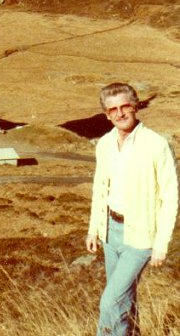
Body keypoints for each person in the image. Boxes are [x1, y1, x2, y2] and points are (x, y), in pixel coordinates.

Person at [86, 82, 178, 336]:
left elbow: (170, 197)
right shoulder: (104, 144)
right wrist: (94, 229)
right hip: (111, 231)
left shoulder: (156, 144)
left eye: (125, 106)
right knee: (125, 300)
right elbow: (100, 188)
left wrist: (161, 245)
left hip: (140, 237)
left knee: (110, 302)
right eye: (112, 109)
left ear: (135, 106)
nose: (120, 113)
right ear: (106, 114)